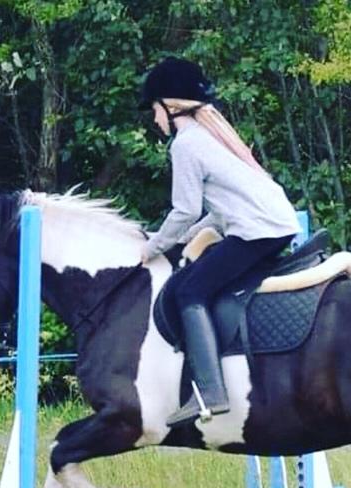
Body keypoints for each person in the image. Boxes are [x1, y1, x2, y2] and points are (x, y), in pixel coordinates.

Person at [138, 56, 300, 426]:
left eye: (154, 110)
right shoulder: (210, 138)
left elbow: (183, 211)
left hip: (257, 232)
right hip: (275, 226)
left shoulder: (186, 144)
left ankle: (209, 393)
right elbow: (216, 211)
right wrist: (186, 237)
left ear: (170, 105)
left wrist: (151, 248)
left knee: (187, 292)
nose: (154, 119)